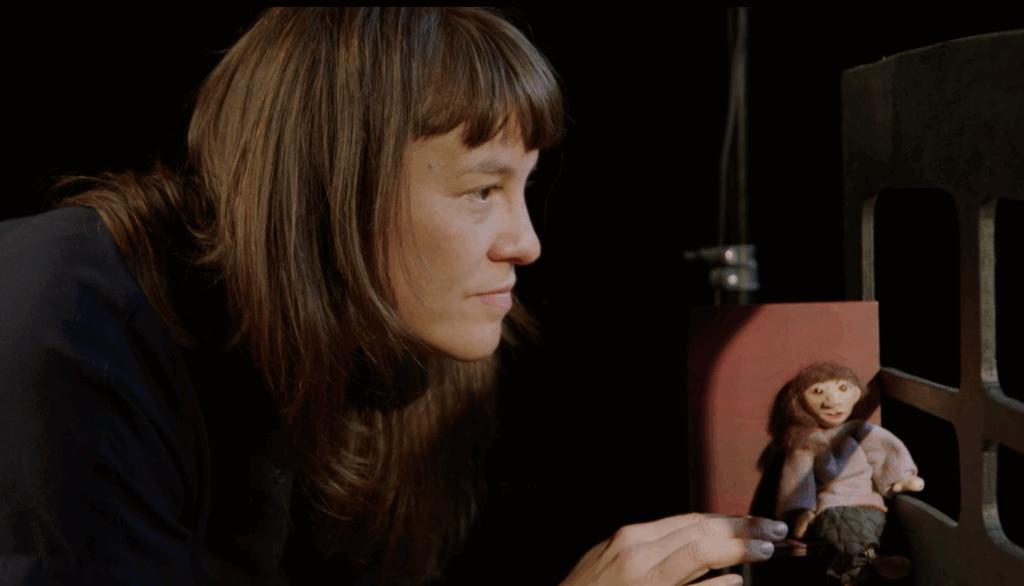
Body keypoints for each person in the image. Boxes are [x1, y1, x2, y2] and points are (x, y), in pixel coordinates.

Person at [1, 8, 787, 585]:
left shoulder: (393, 350)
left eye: (524, 188)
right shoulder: (69, 321)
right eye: (481, 191)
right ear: (331, 192)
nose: (526, 243)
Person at [768, 362, 924, 585]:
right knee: (843, 528)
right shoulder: (807, 442)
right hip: (833, 503)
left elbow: (884, 448)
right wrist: (800, 510)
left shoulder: (857, 430)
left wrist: (901, 477)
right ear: (800, 402)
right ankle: (874, 559)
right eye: (817, 391)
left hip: (869, 500)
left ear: (856, 393)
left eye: (842, 388)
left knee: (866, 526)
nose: (832, 401)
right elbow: (797, 477)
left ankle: (849, 574)